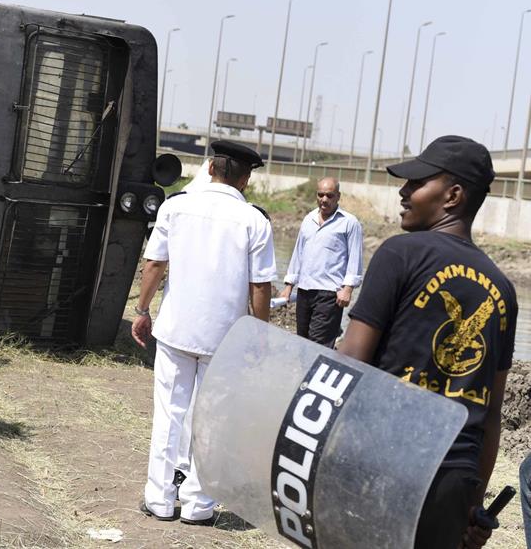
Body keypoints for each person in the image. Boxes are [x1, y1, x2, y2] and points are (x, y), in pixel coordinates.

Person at [337, 135, 517, 549]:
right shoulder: (502, 291)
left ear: (452, 195)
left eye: (417, 183)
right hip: (453, 482)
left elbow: (349, 365)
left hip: (382, 465)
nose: (404, 191)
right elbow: (490, 414)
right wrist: (473, 504)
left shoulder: (400, 254)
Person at [132, 140, 276, 524]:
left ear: (210, 167)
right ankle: (198, 507)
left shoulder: (175, 206)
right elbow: (260, 287)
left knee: (169, 414)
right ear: (245, 180)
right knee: (211, 420)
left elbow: (153, 264)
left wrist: (142, 310)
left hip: (177, 330)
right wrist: (260, 336)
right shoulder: (254, 221)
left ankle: (159, 500)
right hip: (225, 339)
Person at [279, 177, 364, 347]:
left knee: (319, 344)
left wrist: (347, 289)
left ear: (338, 196)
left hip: (329, 294)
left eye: (329, 196)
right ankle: (305, 373)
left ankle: (317, 373)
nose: (324, 200)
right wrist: (288, 287)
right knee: (303, 341)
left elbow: (355, 258)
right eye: (320, 195)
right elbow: (298, 253)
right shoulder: (308, 219)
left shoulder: (349, 223)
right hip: (304, 291)